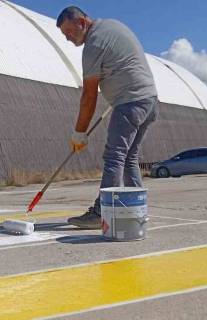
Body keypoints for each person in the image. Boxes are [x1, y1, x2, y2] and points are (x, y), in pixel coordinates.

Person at [57, 6, 158, 229]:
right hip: (149, 102)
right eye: (64, 35)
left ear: (82, 22)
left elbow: (89, 95)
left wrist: (79, 133)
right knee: (129, 158)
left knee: (114, 157)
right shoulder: (113, 25)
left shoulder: (93, 45)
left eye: (69, 32)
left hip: (130, 103)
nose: (68, 38)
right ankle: (137, 210)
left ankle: (100, 213)